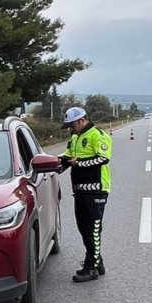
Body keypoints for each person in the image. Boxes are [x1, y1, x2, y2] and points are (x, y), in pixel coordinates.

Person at [60, 106, 112, 282]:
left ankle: (91, 268)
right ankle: (97, 262)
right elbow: (68, 157)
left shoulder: (98, 135)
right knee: (84, 228)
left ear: (81, 120)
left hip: (96, 189)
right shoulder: (75, 137)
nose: (70, 129)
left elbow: (103, 158)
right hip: (80, 190)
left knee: (93, 229)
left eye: (72, 125)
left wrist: (78, 163)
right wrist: (57, 165)